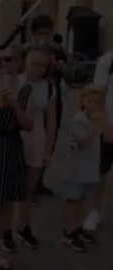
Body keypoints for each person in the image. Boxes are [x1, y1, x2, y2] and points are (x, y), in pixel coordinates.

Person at [0, 46, 34, 269]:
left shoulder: (25, 89)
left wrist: (14, 107)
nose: (4, 64)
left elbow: (30, 124)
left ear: (17, 62)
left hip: (10, 147)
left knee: (5, 204)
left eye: (9, 59)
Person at [55, 85, 105, 252]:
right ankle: (68, 232)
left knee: (82, 200)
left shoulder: (96, 119)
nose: (93, 106)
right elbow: (84, 142)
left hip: (89, 168)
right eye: (90, 101)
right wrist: (94, 124)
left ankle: (75, 227)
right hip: (75, 169)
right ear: (83, 101)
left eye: (97, 103)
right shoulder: (79, 119)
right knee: (73, 200)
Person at [17, 45, 57, 249]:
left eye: (43, 65)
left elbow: (51, 122)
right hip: (15, 137)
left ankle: (24, 226)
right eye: (34, 63)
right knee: (9, 188)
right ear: (25, 62)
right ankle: (4, 230)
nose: (38, 68)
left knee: (29, 189)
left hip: (37, 138)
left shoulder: (49, 87)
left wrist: (48, 151)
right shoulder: (16, 82)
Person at [83, 50, 113, 231]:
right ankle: (94, 212)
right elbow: (97, 93)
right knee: (101, 171)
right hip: (109, 125)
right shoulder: (108, 61)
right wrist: (104, 123)